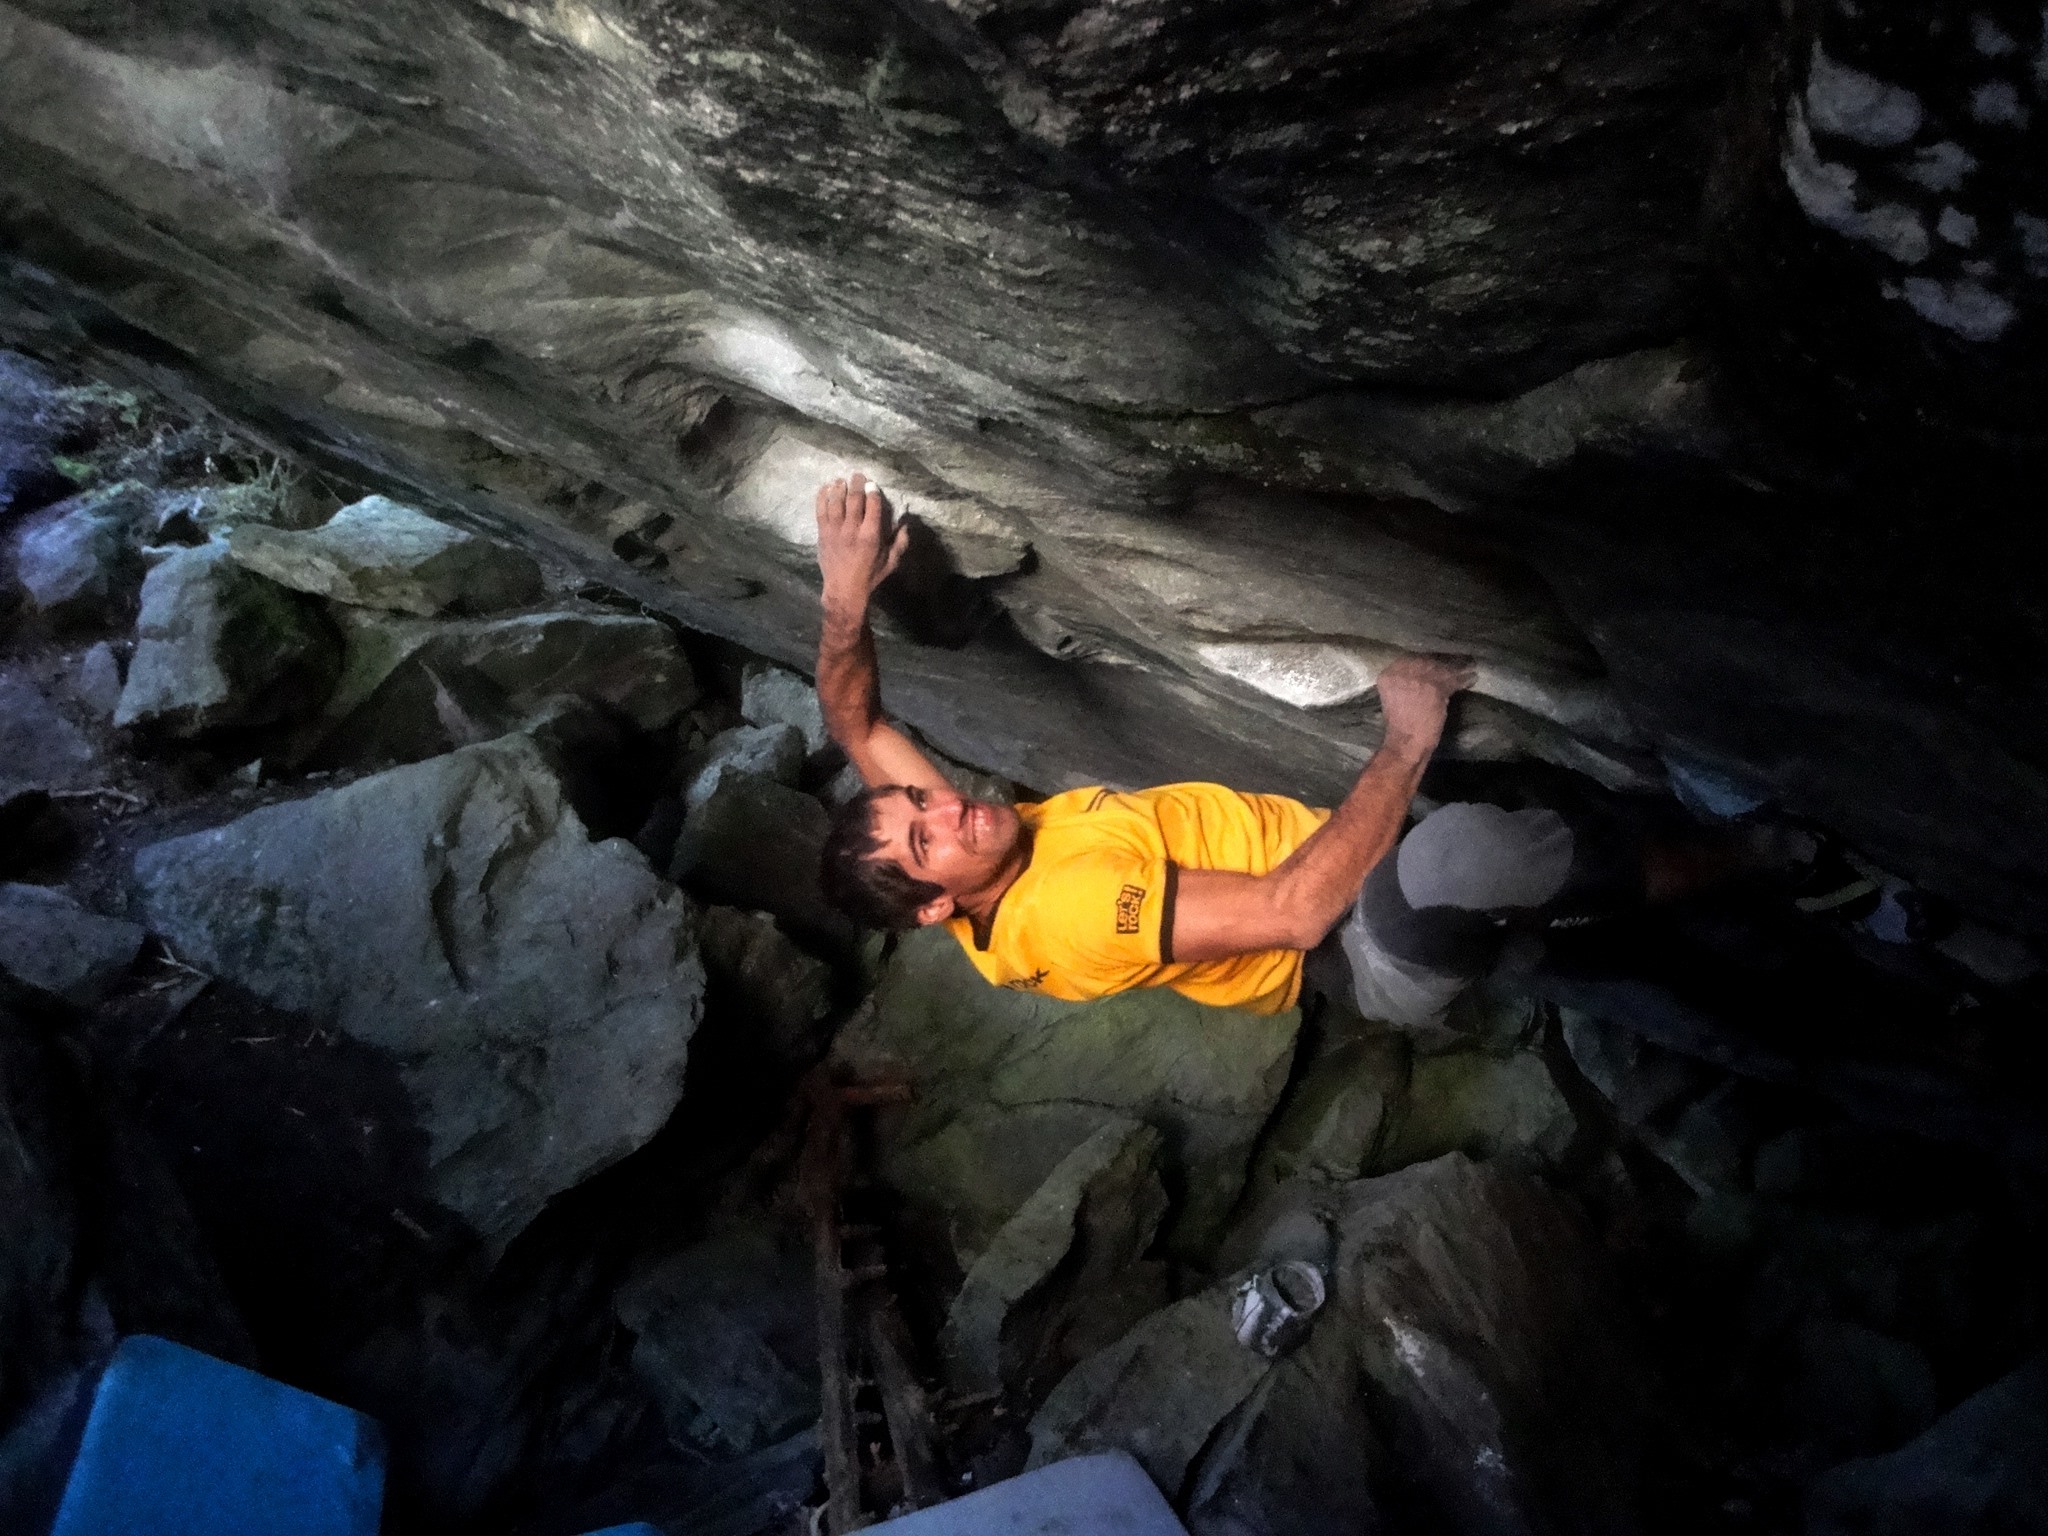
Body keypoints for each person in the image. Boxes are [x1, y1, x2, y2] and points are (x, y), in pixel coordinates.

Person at [811, 474, 1739, 1027]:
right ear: (936, 909)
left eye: (919, 802)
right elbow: (1298, 913)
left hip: (1318, 866)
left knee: (1525, 907)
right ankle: (1748, 865)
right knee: (1462, 858)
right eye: (926, 837)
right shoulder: (1071, 911)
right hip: (1352, 943)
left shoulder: (964, 861)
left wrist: (846, 596)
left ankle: (1575, 924)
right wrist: (1406, 742)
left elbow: (856, 724)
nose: (949, 807)